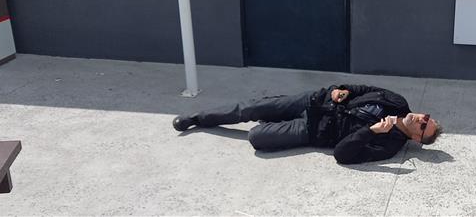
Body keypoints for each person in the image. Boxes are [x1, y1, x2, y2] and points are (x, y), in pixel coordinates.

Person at [172, 84, 442, 164]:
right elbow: (362, 88)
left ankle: (275, 119)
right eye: (426, 117)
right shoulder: (398, 101)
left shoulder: (388, 145)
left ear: (417, 139)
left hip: (313, 130)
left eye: (423, 126)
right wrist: (342, 90)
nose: (421, 119)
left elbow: (342, 155)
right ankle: (198, 118)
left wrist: (368, 131)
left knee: (257, 138)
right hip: (314, 103)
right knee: (250, 108)